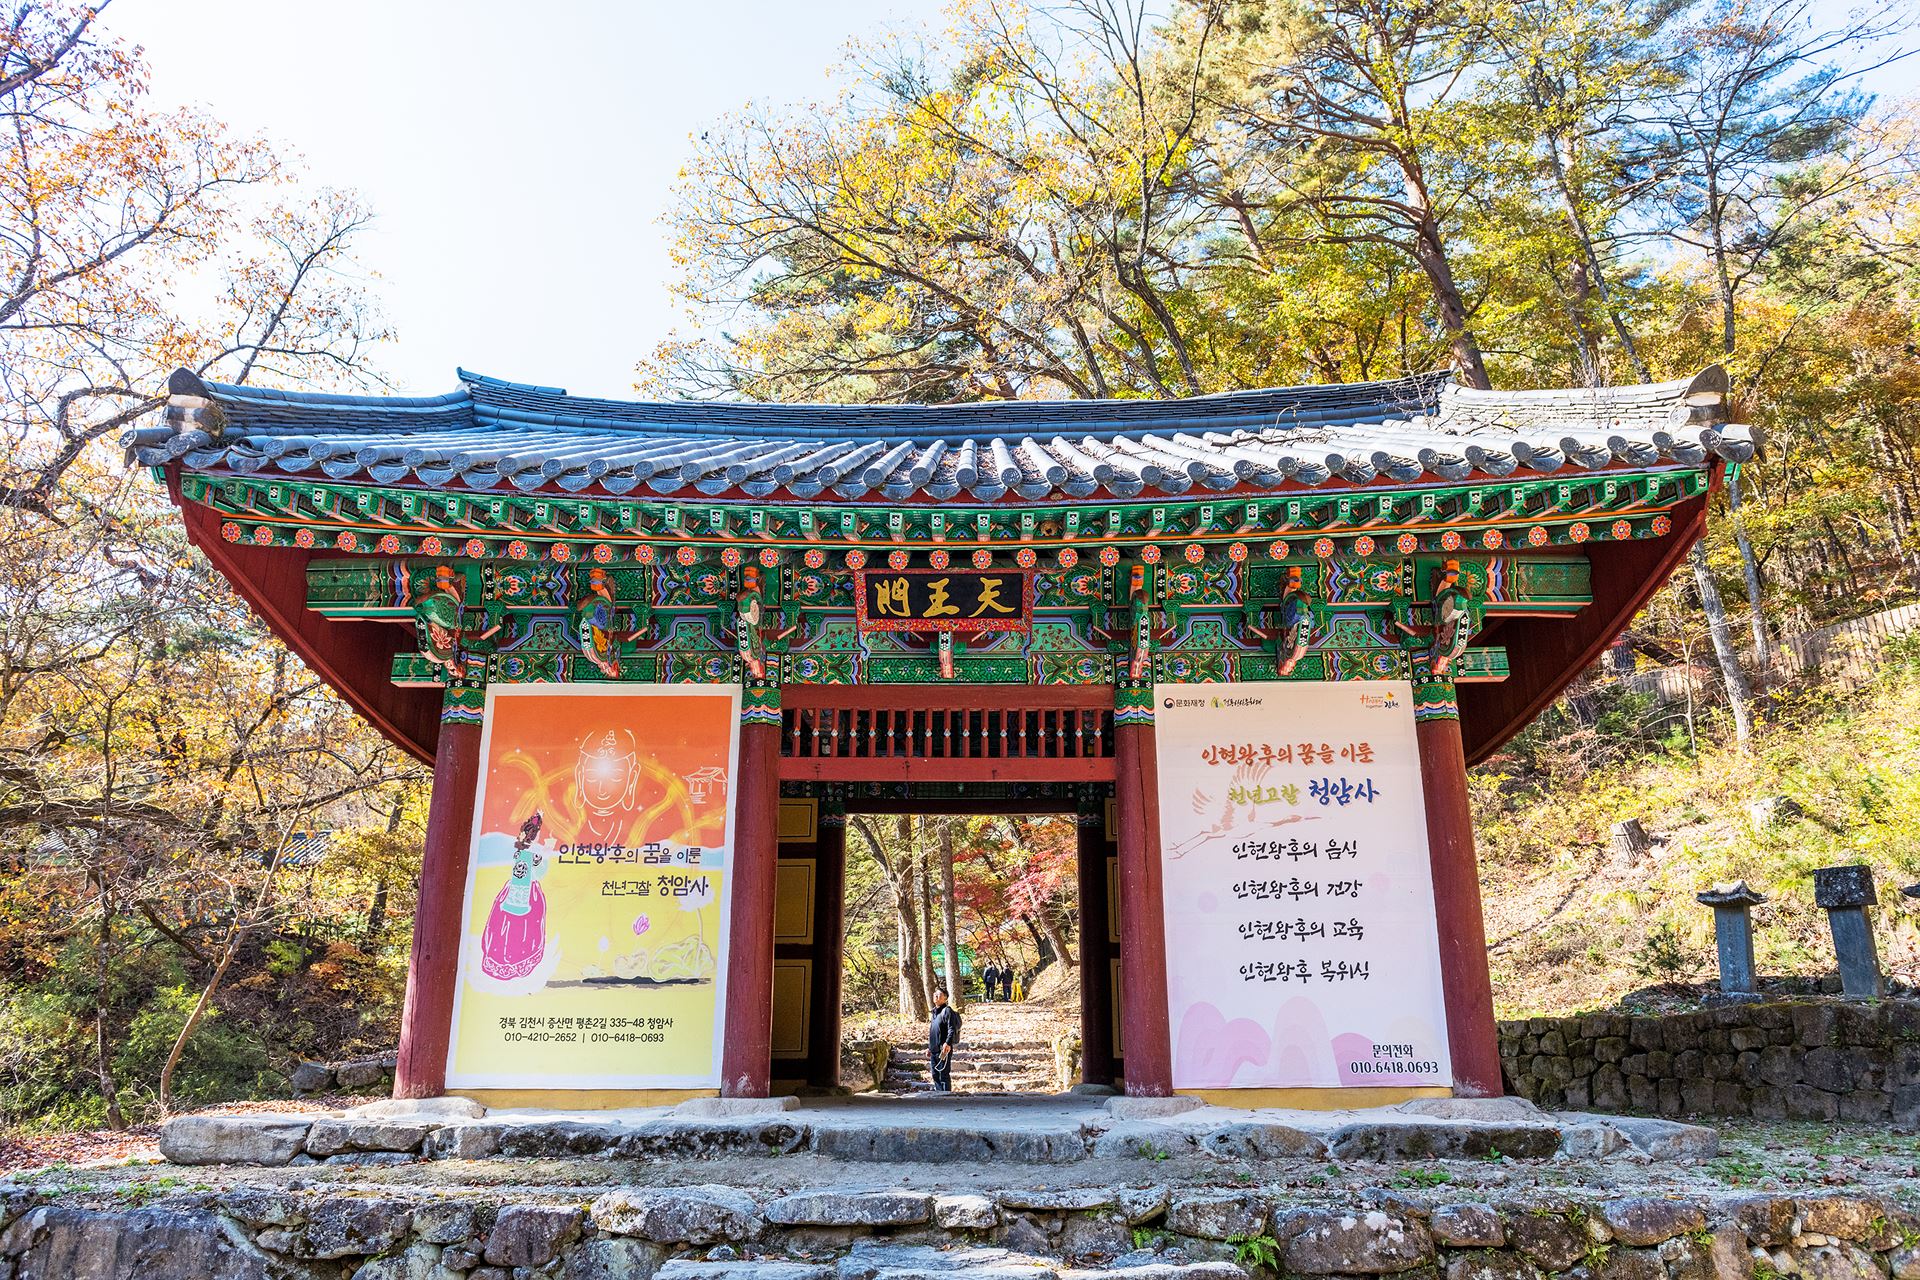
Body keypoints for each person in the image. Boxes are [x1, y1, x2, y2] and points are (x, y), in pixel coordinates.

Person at [928, 986, 961, 1091]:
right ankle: (939, 1095)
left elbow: (952, 1029)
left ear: (945, 998)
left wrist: (948, 1043)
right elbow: (933, 1031)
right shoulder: (934, 1012)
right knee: (935, 1074)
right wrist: (929, 1047)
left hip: (943, 1049)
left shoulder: (947, 1011)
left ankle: (946, 1096)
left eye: (939, 995)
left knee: (944, 1074)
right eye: (935, 994)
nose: (936, 996)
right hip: (934, 1049)